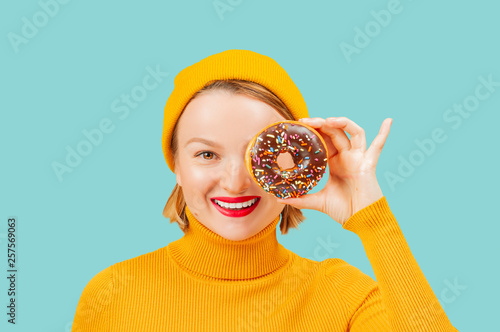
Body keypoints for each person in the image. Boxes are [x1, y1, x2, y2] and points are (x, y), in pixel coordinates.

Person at [71, 49, 459, 331]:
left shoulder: (345, 297)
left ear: (297, 164)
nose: (235, 181)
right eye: (206, 154)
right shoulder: (112, 294)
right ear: (176, 165)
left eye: (258, 155)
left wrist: (373, 221)